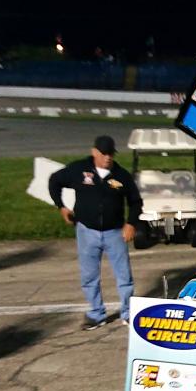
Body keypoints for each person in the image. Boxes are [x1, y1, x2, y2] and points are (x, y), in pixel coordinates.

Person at [48, 135, 143, 330]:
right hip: (86, 231)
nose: (108, 157)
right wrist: (61, 207)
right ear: (94, 152)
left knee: (124, 275)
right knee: (89, 276)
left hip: (115, 232)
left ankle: (128, 313)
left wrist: (131, 224)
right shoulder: (78, 169)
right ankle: (96, 314)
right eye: (104, 153)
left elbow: (136, 201)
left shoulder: (121, 175)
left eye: (111, 154)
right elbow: (54, 181)